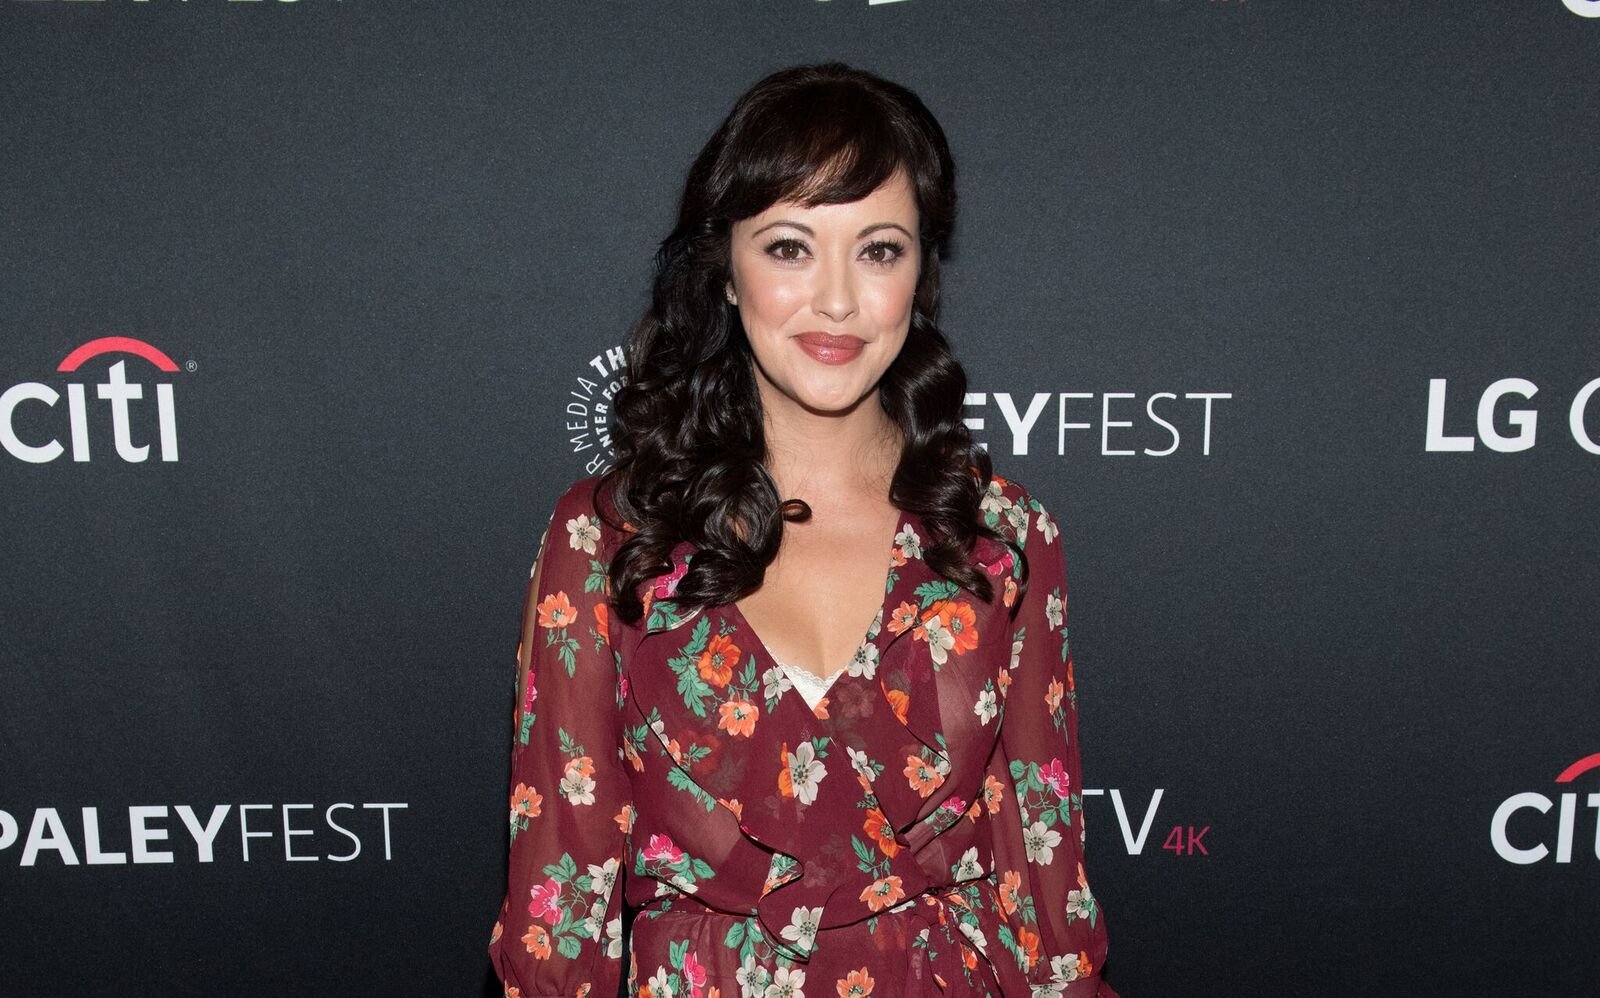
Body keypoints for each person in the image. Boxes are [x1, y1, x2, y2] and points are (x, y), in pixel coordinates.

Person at [489, 63, 1117, 997]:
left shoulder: (998, 534)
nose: (836, 300)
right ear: (728, 271)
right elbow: (561, 906)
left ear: (920, 273)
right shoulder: (608, 538)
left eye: (878, 250)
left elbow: (1046, 872)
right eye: (789, 247)